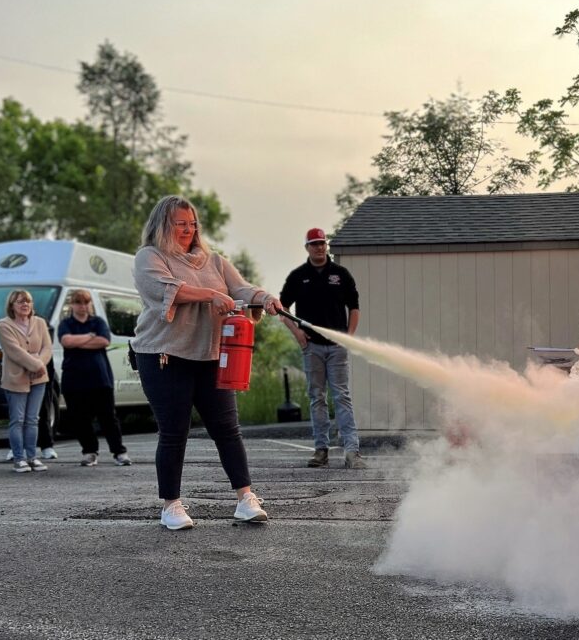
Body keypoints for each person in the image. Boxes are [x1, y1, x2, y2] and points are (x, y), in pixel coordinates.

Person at [132, 194, 282, 531]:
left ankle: (246, 499)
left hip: (211, 355)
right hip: (163, 356)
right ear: (163, 224)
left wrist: (265, 298)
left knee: (228, 429)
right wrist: (211, 296)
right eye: (179, 223)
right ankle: (171, 506)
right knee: (174, 432)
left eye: (191, 223)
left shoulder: (213, 261)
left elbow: (240, 288)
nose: (187, 229)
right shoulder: (149, 257)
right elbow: (169, 290)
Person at [280, 227, 365, 470]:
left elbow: (355, 307)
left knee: (342, 397)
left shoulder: (341, 274)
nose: (319, 247)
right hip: (312, 347)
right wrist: (297, 333)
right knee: (317, 398)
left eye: (322, 243)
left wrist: (349, 337)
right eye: (314, 244)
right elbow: (280, 309)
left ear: (326, 246)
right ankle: (321, 451)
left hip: (337, 348)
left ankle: (352, 452)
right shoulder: (298, 276)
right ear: (307, 247)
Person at [58, 289, 131, 467]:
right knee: (80, 418)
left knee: (108, 417)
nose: (82, 306)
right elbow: (66, 341)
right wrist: (90, 336)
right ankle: (89, 451)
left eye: (85, 302)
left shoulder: (98, 322)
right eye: (78, 303)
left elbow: (104, 341)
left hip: (100, 378)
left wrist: (80, 341)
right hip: (74, 379)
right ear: (72, 305)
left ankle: (119, 452)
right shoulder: (66, 323)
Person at [0, 289, 53, 474]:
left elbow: (47, 347)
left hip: (39, 378)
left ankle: (32, 457)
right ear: (12, 305)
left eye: (28, 301)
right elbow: (14, 351)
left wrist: (39, 364)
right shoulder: (3, 325)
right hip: (15, 378)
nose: (25, 305)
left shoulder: (40, 323)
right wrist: (36, 364)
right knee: (17, 419)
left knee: (32, 419)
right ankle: (19, 458)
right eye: (20, 301)